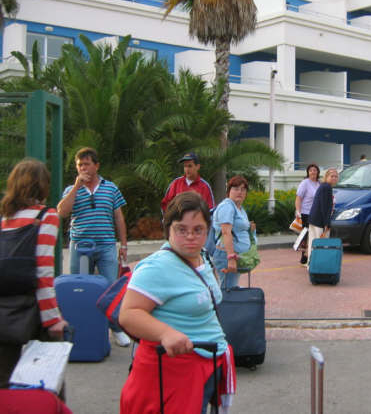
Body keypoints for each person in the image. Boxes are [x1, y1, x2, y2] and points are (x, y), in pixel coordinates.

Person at [119, 192, 235, 414]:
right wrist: (166, 333)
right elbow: (129, 314)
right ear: (168, 228)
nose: (190, 236)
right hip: (175, 372)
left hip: (207, 364)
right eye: (181, 229)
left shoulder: (203, 256)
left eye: (198, 230)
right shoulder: (157, 267)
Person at [0, 159, 68, 387]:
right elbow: (43, 272)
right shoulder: (46, 217)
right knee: (45, 381)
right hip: (33, 310)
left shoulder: (4, 218)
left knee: (4, 383)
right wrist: (53, 319)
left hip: (3, 312)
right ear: (42, 185)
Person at [56, 147, 130, 347]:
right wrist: (76, 187)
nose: (83, 168)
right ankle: (80, 330)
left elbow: (119, 217)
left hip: (106, 245)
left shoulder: (111, 188)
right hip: (80, 246)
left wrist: (123, 245)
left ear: (96, 166)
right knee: (79, 289)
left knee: (109, 289)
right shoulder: (71, 189)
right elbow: (62, 212)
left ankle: (115, 329)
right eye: (80, 165)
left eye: (87, 164)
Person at [211, 175, 256, 289]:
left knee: (230, 288)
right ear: (229, 191)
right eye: (236, 189)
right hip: (226, 256)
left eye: (243, 189)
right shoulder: (227, 207)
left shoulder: (239, 208)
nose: (239, 192)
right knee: (228, 291)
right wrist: (231, 258)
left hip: (236, 255)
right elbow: (226, 232)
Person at [307, 168, 339, 261]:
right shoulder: (327, 187)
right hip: (319, 221)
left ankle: (311, 264)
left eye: (336, 176)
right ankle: (319, 265)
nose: (334, 178)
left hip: (314, 219)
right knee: (321, 244)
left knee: (313, 243)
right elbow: (324, 207)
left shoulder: (323, 186)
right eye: (331, 176)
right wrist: (327, 224)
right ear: (326, 177)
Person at [295, 163, 320, 265]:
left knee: (313, 235)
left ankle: (308, 256)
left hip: (316, 213)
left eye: (314, 170)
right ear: (308, 172)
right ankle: (304, 256)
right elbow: (298, 198)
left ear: (318, 172)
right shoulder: (305, 183)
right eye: (311, 170)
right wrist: (298, 211)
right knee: (306, 236)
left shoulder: (319, 183)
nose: (313, 172)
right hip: (306, 213)